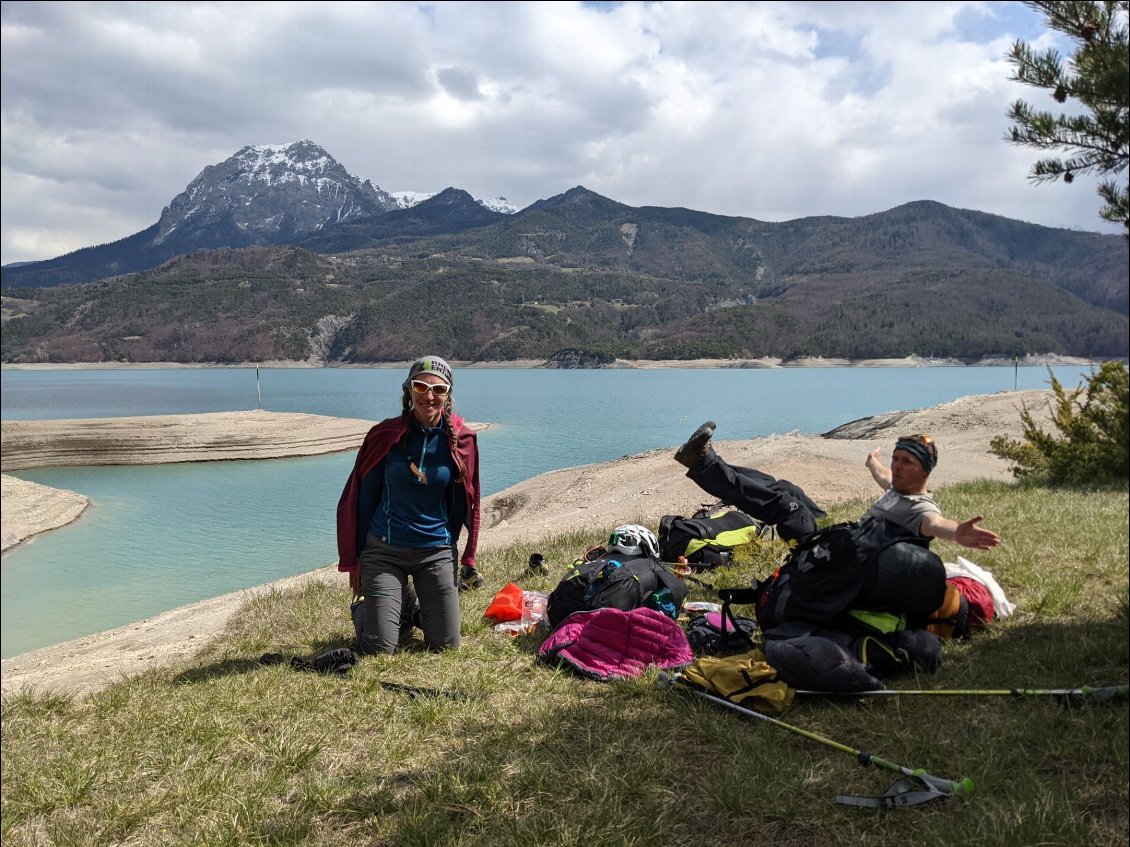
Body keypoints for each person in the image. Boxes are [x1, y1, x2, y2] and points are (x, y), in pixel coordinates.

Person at [336, 356, 482, 654]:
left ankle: (408, 606)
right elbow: (361, 497)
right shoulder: (384, 435)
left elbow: (469, 498)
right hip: (385, 551)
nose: (429, 396)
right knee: (379, 650)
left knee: (446, 646)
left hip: (435, 551)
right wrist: (355, 559)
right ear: (409, 391)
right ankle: (371, 609)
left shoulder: (462, 439)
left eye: (438, 390)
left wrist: (464, 555)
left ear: (448, 395)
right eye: (421, 387)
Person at [674, 422, 1001, 551]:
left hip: (840, 550)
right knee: (786, 486)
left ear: (925, 472)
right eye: (897, 458)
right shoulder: (898, 487)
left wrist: (957, 532)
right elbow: (884, 476)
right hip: (840, 532)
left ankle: (702, 463)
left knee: (784, 504)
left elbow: (936, 525)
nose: (898, 466)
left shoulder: (921, 509)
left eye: (907, 463)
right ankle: (712, 463)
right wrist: (874, 462)